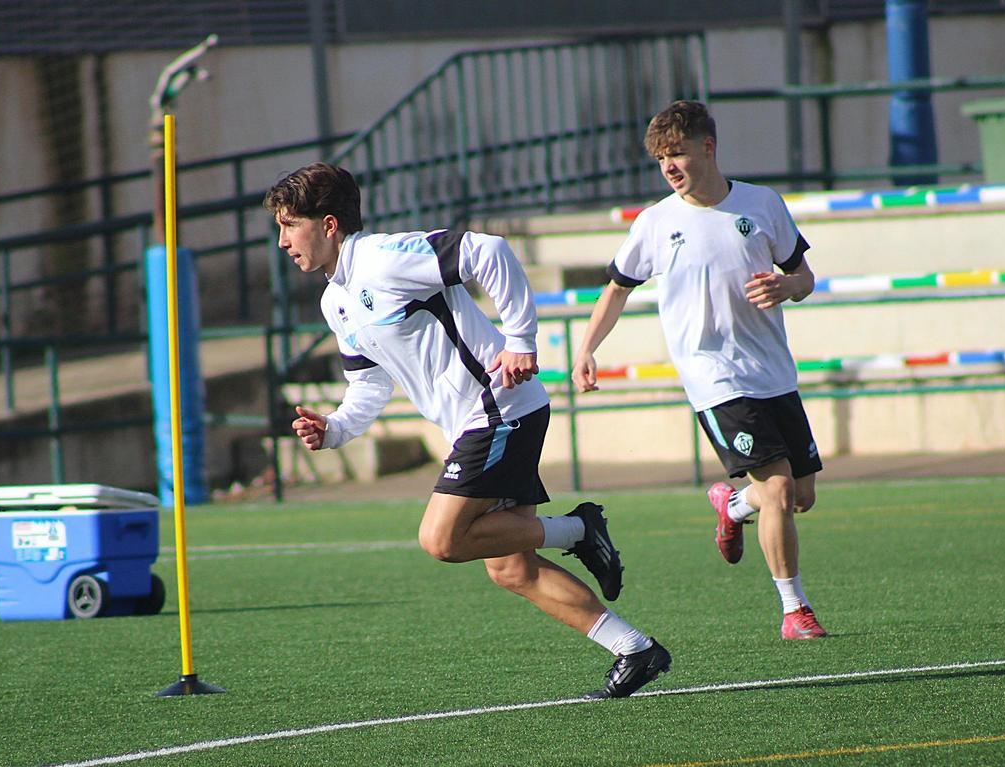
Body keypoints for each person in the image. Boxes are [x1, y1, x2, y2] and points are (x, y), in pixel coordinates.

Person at [264, 162, 671, 696]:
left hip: (500, 408)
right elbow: (369, 384)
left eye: (289, 225)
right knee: (510, 569)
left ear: (330, 223)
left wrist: (521, 340)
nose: (282, 241)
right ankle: (636, 649)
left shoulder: (385, 257)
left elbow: (491, 252)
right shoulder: (334, 300)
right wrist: (334, 428)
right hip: (478, 423)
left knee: (441, 539)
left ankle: (579, 530)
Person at [572, 101, 827, 640]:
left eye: (677, 153)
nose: (668, 166)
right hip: (713, 376)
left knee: (799, 496)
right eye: (660, 158)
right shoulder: (656, 223)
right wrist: (587, 349)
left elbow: (803, 275)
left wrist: (789, 287)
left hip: (773, 371)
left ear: (707, 148)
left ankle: (732, 506)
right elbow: (617, 288)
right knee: (779, 491)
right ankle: (794, 610)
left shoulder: (762, 204)